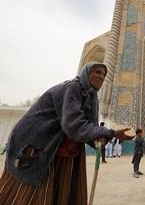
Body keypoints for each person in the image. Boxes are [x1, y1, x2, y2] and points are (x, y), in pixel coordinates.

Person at [0, 61, 134, 204]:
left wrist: (97, 137)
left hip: (58, 143)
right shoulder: (72, 88)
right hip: (36, 141)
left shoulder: (90, 97)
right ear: (85, 73)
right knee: (30, 191)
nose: (101, 76)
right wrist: (110, 133)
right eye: (97, 72)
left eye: (103, 74)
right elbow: (73, 124)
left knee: (61, 189)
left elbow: (87, 127)